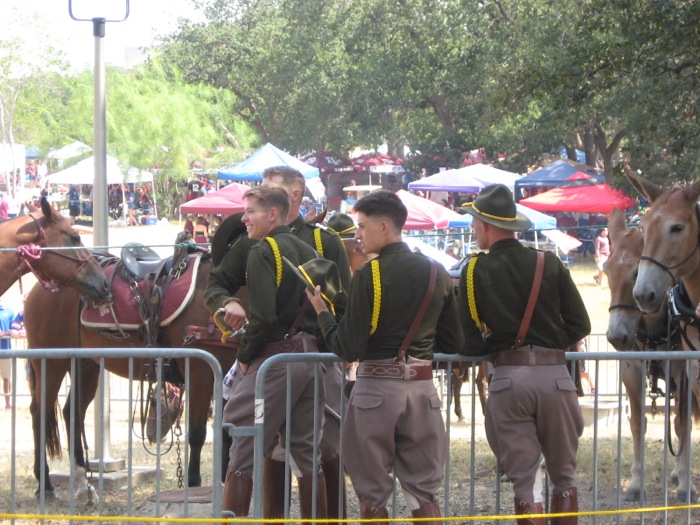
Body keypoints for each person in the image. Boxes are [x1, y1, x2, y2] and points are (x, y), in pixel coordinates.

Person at [305, 190, 465, 525]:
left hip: (376, 390)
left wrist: (323, 313)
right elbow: (454, 339)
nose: (357, 235)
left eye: (361, 227)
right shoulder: (437, 272)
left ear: (383, 227)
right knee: (423, 493)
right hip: (422, 392)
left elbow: (347, 346)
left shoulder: (369, 274)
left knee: (373, 494)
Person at [205, 166, 352, 520]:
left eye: (250, 212)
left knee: (244, 443)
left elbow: (265, 320)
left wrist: (242, 360)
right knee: (307, 454)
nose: (244, 219)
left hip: (274, 365)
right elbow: (342, 304)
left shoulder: (264, 249)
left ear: (274, 212)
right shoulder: (306, 248)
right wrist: (228, 302)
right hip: (311, 362)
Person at [457, 184, 590, 525]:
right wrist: (549, 344)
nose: (473, 230)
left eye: (474, 223)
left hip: (508, 380)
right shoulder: (549, 263)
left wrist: (498, 347)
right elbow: (580, 323)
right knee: (564, 477)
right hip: (556, 378)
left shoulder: (474, 271)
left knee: (525, 482)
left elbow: (469, 341)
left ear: (485, 225)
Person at [0, 299, 23, 409]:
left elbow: (14, 329)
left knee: (6, 377)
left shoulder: (8, 312)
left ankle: (8, 403)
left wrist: (5, 333)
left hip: (5, 350)